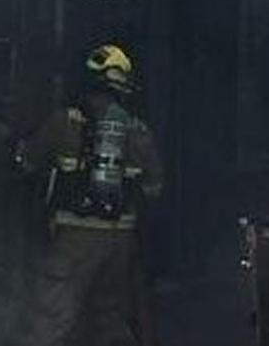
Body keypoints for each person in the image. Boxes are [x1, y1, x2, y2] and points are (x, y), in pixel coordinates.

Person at [18, 43, 163, 346]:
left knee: (51, 318)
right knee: (113, 321)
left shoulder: (63, 122)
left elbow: (28, 161)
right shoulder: (138, 132)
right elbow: (154, 188)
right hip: (121, 240)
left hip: (75, 236)